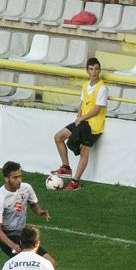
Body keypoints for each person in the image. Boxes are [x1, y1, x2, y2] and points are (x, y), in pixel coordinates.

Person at [51, 58, 108, 192]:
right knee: (58, 137)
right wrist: (78, 117)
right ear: (87, 70)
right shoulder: (85, 85)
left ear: (99, 70)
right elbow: (82, 103)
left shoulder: (102, 88)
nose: (94, 72)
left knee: (84, 152)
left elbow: (97, 110)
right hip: (82, 121)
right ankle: (65, 167)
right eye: (91, 69)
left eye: (96, 69)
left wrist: (81, 118)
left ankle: (75, 181)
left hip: (93, 125)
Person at [0, 161, 55, 268]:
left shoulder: (26, 188)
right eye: (15, 178)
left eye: (20, 176)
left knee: (51, 264)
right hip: (8, 237)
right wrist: (12, 245)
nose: (19, 180)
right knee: (26, 267)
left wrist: (39, 211)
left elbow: (33, 203)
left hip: (23, 235)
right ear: (6, 179)